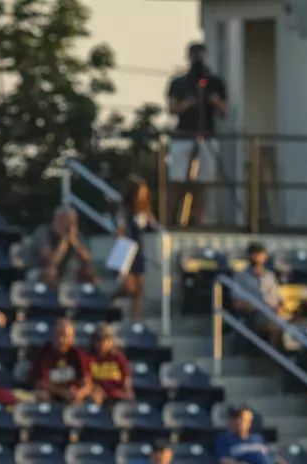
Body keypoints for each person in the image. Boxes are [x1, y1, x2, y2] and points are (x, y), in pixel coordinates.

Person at [164, 43, 229, 226]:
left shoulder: (215, 83)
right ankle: (169, 219)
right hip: (183, 135)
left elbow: (225, 111)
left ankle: (199, 220)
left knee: (204, 182)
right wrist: (188, 103)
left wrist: (214, 101)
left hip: (207, 136)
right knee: (176, 179)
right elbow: (171, 108)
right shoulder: (179, 83)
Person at [114, 179, 157, 321]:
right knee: (129, 288)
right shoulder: (125, 211)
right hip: (126, 251)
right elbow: (120, 231)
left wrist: (151, 219)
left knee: (139, 288)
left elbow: (152, 227)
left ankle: (135, 318)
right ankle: (110, 298)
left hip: (139, 252)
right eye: (140, 193)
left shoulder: (144, 212)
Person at [23, 208, 98, 287]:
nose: (69, 227)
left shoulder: (77, 236)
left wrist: (75, 242)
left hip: (65, 271)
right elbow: (51, 261)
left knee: (89, 271)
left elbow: (87, 259)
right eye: (66, 222)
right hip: (40, 268)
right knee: (51, 271)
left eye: (72, 223)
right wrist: (64, 240)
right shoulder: (43, 233)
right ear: (56, 220)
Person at [214, 406, 292, 464]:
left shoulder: (258, 438)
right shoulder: (224, 439)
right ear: (233, 421)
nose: (243, 423)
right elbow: (223, 461)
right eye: (240, 419)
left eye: (247, 420)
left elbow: (272, 455)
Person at [29, 320, 94, 405]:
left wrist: (80, 393)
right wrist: (63, 392)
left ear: (72, 338)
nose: (61, 340)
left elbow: (87, 382)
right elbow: (40, 383)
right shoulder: (43, 353)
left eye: (65, 336)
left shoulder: (78, 354)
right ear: (52, 336)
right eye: (58, 335)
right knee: (42, 395)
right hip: (52, 392)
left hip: (72, 393)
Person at [82, 325, 134, 403]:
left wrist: (127, 394)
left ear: (111, 341)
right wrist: (94, 390)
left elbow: (126, 382)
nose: (102, 343)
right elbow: (86, 381)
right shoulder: (88, 358)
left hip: (116, 397)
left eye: (106, 339)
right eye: (98, 340)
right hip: (96, 396)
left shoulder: (118, 358)